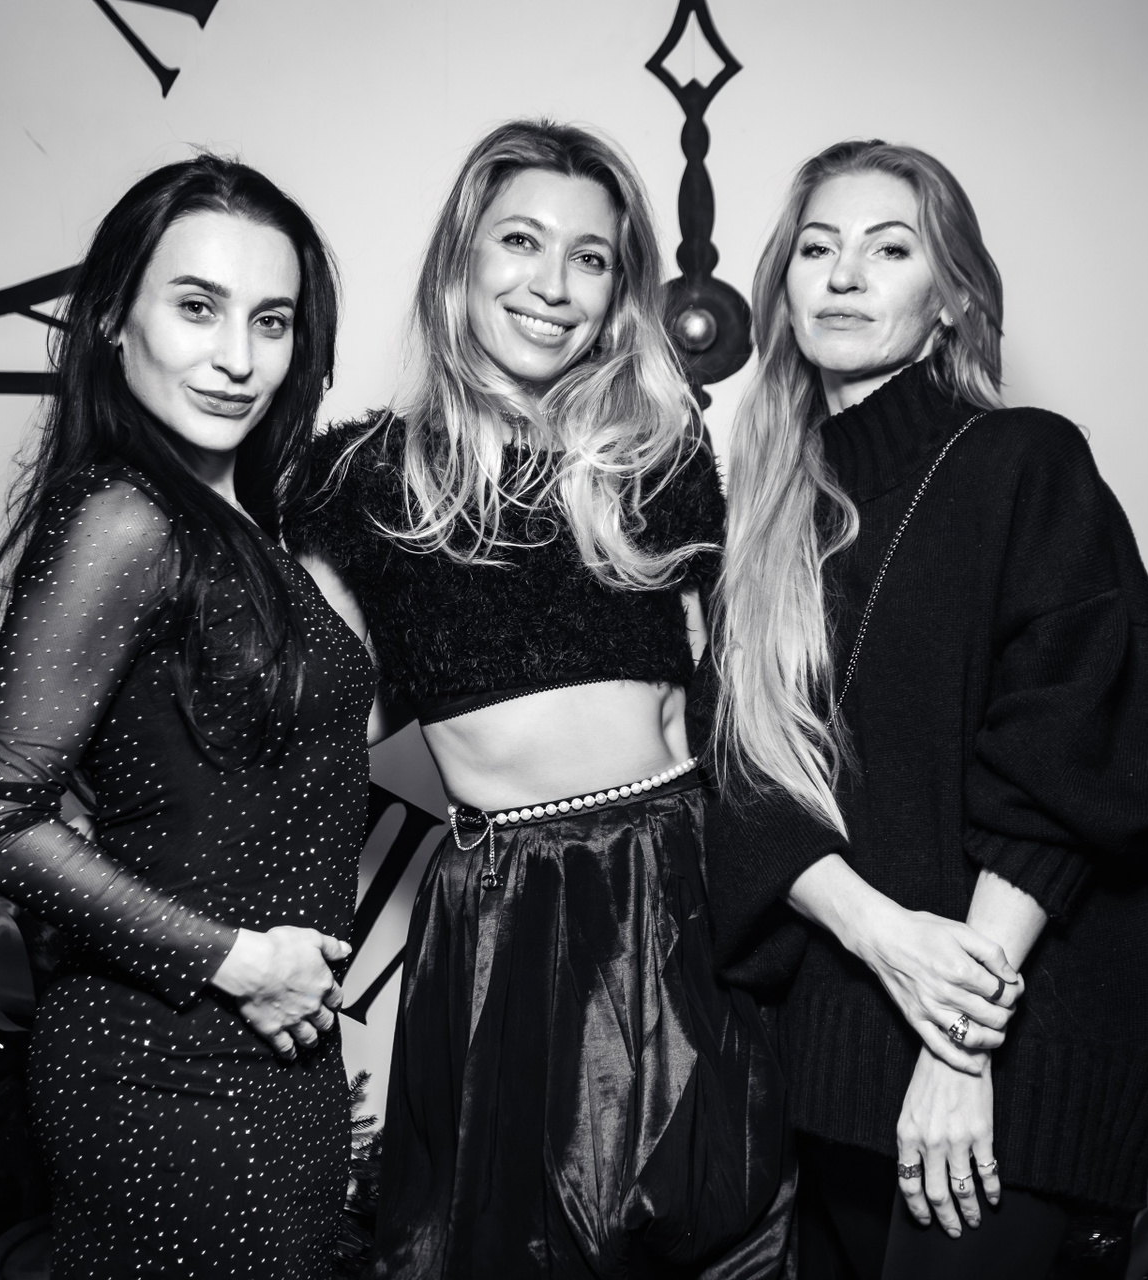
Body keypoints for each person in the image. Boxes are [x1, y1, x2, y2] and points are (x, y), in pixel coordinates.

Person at [707, 139, 1148, 1280]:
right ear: (784, 287)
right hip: (839, 1049)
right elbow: (743, 786)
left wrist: (957, 1043)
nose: (845, 274)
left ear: (949, 300)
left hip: (1015, 1055)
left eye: (890, 250)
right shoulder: (768, 517)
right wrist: (885, 940)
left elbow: (1074, 754)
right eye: (818, 248)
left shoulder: (1024, 460)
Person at [289, 119, 789, 1278]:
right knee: (524, 1243)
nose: (554, 285)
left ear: (619, 295)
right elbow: (303, 743)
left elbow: (743, 702)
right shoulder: (364, 480)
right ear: (460, 261)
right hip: (520, 906)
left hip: (692, 880)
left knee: (733, 1216)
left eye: (591, 257)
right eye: (521, 241)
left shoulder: (659, 454)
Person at [0, 155, 369, 1278]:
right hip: (163, 1059)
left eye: (270, 320)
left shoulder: (246, 520)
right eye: (197, 307)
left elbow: (273, 773)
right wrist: (236, 960)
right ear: (111, 319)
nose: (239, 358)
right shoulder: (123, 514)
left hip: (272, 1054)